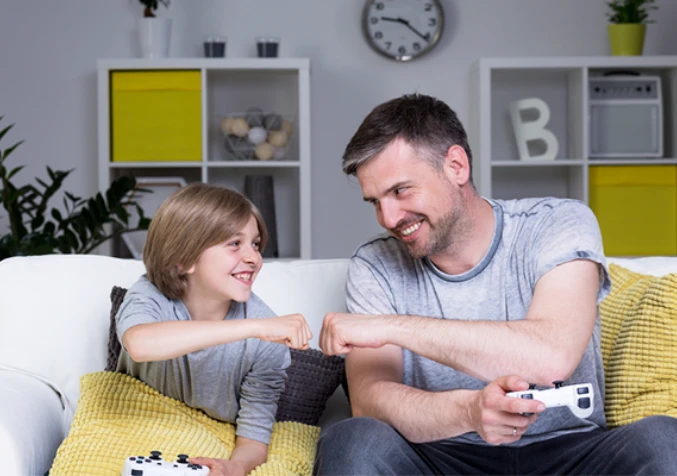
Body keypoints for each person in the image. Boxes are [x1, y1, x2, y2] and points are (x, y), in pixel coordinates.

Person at [315, 93, 677, 475]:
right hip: (441, 458)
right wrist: (468, 412)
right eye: (374, 201)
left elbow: (551, 356)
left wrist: (389, 326)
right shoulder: (375, 265)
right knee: (353, 440)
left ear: (456, 165)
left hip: (573, 453)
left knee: (662, 437)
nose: (388, 217)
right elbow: (371, 400)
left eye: (401, 191)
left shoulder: (558, 223)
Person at [116, 182, 312, 476]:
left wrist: (234, 467)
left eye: (255, 244)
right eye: (235, 243)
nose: (253, 258)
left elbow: (253, 436)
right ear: (184, 258)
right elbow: (140, 344)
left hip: (206, 444)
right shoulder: (149, 295)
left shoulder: (266, 339)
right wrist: (252, 328)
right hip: (135, 429)